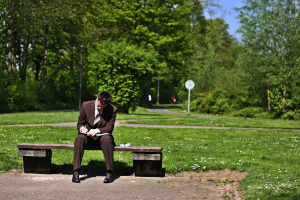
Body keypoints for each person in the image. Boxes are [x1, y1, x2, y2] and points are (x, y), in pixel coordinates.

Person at [72, 90, 117, 183]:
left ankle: (109, 173)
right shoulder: (86, 105)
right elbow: (80, 123)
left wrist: (98, 130)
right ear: (97, 99)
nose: (100, 108)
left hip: (102, 139)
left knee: (107, 139)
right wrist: (81, 129)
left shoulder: (112, 109)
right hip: (88, 137)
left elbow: (109, 128)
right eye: (99, 105)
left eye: (103, 107)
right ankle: (76, 172)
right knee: (79, 138)